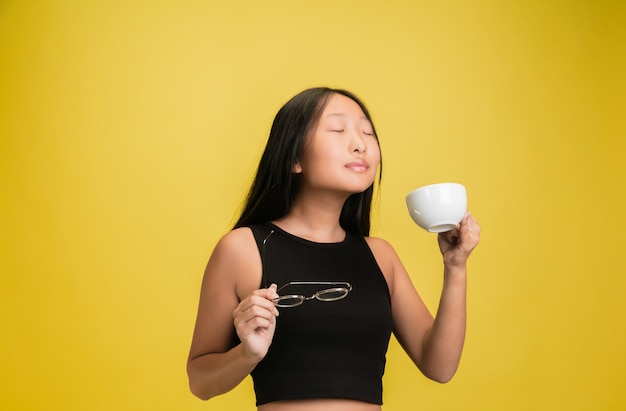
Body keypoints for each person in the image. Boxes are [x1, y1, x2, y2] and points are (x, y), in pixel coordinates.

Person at [187, 87, 481, 411]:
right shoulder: (243, 249)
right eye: (338, 130)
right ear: (294, 158)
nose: (360, 144)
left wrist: (456, 268)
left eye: (367, 132)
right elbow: (200, 381)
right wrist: (247, 354)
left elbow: (438, 366)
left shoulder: (380, 257)